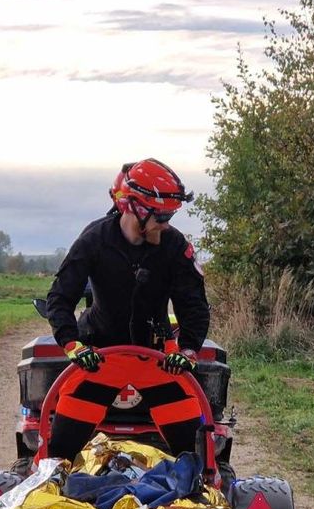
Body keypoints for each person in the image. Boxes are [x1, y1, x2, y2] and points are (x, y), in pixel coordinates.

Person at [44, 158, 210, 460]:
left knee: (194, 451)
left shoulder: (175, 247)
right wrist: (73, 345)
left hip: (158, 358)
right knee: (59, 451)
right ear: (136, 208)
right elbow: (59, 298)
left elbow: (194, 305)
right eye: (162, 215)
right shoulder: (94, 240)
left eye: (170, 215)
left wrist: (187, 351)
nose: (166, 223)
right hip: (98, 357)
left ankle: (195, 494)